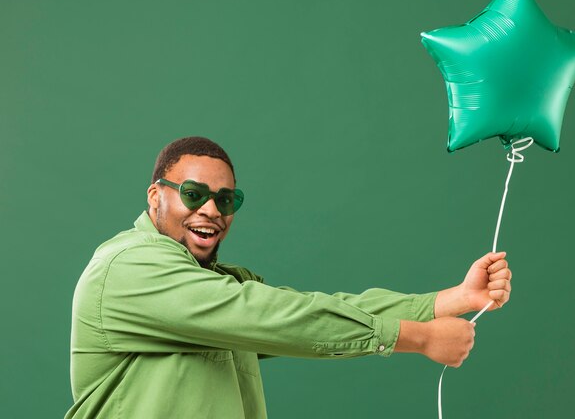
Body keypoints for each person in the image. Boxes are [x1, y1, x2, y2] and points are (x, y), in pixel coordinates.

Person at [65, 136, 512, 419]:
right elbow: (272, 316)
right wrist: (417, 337)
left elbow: (305, 311)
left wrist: (447, 301)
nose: (210, 210)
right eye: (193, 194)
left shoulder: (213, 285)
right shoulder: (128, 267)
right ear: (155, 197)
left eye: (226, 199)